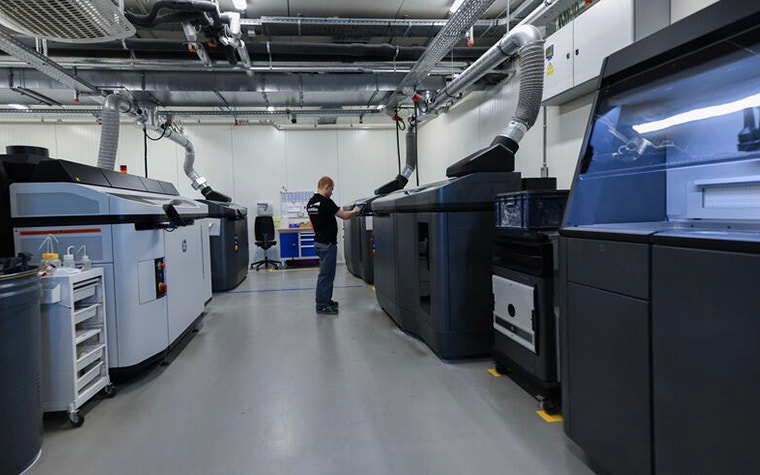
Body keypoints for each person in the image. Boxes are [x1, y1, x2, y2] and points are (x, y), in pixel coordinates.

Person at [307, 176, 360, 315]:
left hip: (318, 242)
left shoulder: (311, 203)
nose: (332, 192)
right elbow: (345, 216)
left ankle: (327, 300)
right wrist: (355, 210)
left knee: (328, 274)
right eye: (331, 189)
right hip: (327, 244)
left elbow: (312, 225)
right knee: (326, 275)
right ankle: (321, 305)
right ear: (326, 186)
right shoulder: (326, 202)